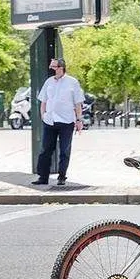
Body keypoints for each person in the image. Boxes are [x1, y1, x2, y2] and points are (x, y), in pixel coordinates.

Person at [32, 58, 85, 186]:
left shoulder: (73, 82)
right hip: (50, 121)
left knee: (64, 150)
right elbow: (43, 100)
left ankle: (62, 176)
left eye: (54, 66)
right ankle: (43, 177)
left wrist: (79, 120)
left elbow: (78, 103)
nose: (51, 69)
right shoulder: (49, 82)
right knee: (45, 150)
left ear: (61, 67)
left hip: (66, 121)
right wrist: (43, 115)